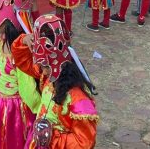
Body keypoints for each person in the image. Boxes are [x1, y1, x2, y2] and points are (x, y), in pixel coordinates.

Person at [12, 15, 98, 148]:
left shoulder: (77, 98)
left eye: (44, 65)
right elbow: (23, 61)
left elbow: (85, 142)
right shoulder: (48, 76)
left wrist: (53, 137)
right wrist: (24, 40)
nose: (41, 69)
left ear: (55, 62)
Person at [0, 0, 40, 149]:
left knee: (12, 141)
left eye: (3, 34)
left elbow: (27, 89)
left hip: (14, 110)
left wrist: (39, 109)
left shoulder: (19, 57)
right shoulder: (1, 46)